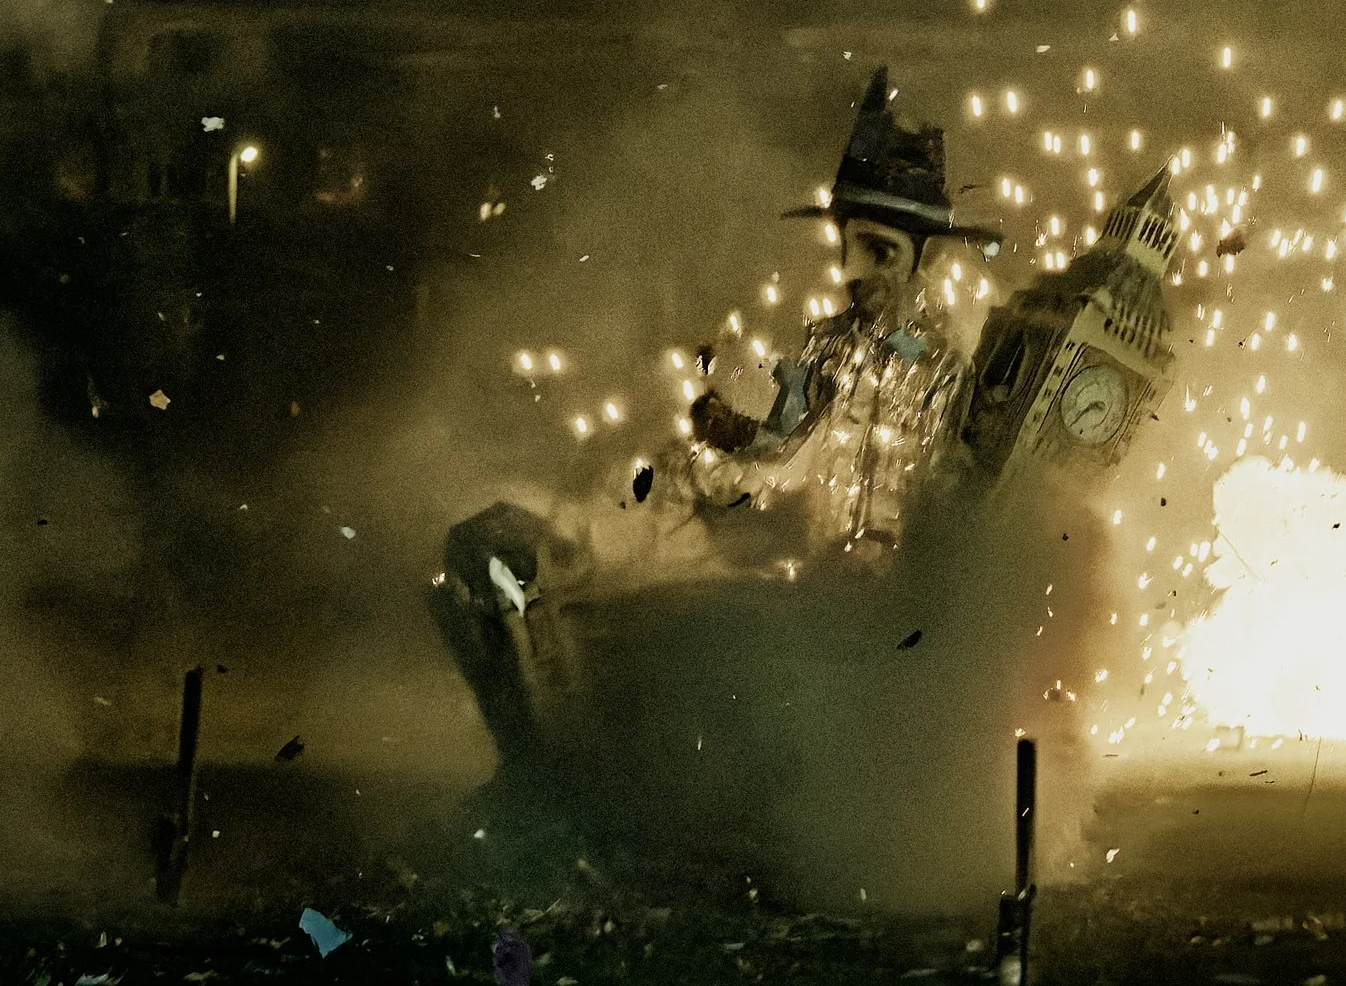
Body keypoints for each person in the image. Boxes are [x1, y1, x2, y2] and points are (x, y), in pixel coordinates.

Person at [428, 68, 999, 777]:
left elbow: (956, 492)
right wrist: (714, 437)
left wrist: (902, 563)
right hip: (812, 575)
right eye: (847, 248)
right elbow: (779, 452)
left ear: (924, 257)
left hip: (888, 606)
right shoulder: (826, 346)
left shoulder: (948, 367)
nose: (854, 271)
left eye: (878, 251)